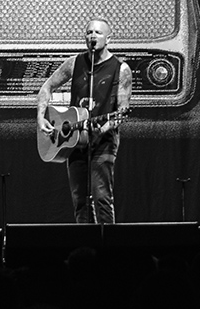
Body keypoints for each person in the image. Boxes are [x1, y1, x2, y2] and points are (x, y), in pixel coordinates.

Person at [37, 18, 132, 223]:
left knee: (102, 198)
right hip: (76, 141)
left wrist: (102, 129)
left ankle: (106, 247)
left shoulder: (120, 69)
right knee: (79, 200)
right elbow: (46, 87)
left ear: (108, 38)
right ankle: (84, 244)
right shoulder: (75, 63)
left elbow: (121, 112)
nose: (92, 36)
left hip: (103, 142)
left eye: (98, 33)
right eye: (89, 32)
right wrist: (40, 116)